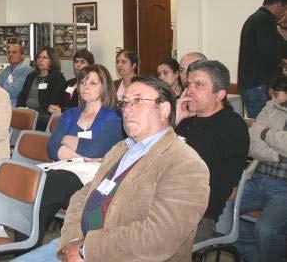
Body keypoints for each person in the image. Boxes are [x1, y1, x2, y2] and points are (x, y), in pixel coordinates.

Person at [15, 76, 210, 262]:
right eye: (125, 102)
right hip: (78, 244)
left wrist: (86, 249)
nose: (127, 109)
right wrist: (73, 241)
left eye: (138, 101)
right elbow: (82, 196)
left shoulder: (185, 164)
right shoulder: (122, 148)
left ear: (164, 109)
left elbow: (159, 238)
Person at [38, 64, 123, 243]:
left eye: (93, 83)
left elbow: (97, 149)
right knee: (41, 186)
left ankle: (28, 244)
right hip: (67, 169)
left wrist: (67, 139)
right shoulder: (70, 114)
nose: (86, 86)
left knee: (49, 185)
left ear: (104, 87)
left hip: (93, 180)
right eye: (83, 81)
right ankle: (29, 242)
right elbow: (52, 148)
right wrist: (84, 157)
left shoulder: (113, 116)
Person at [176, 59, 250, 241]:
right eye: (188, 84)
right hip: (164, 203)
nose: (190, 90)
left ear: (220, 94)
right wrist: (174, 120)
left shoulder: (231, 125)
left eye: (198, 85)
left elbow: (222, 183)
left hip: (197, 215)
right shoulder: (184, 120)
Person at [236, 75, 287, 262]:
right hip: (257, 179)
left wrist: (265, 133)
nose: (272, 96)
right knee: (219, 213)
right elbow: (251, 144)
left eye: (276, 93)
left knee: (266, 229)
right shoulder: (270, 107)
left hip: (284, 188)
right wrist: (278, 154)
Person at [238, 0, 287, 118]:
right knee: (263, 124)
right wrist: (282, 63)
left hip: (253, 84)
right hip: (259, 85)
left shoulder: (257, 18)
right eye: (285, 9)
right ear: (279, 5)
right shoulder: (264, 20)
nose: (284, 13)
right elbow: (268, 51)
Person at [16, 46, 66, 130]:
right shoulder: (31, 75)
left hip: (43, 115)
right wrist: (20, 108)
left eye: (44, 58)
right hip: (27, 111)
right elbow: (22, 95)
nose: (40, 60)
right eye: (39, 57)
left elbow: (53, 102)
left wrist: (33, 111)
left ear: (52, 60)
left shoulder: (57, 78)